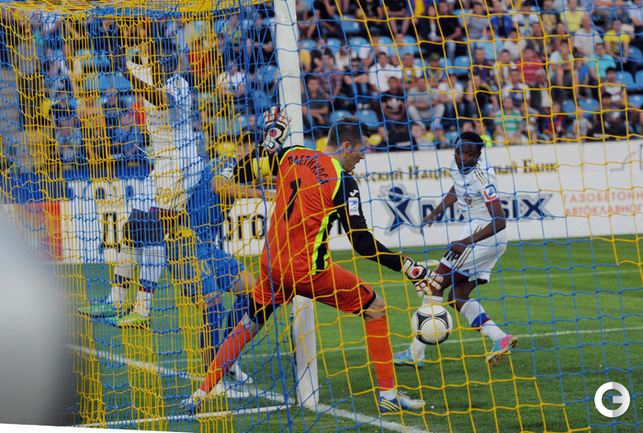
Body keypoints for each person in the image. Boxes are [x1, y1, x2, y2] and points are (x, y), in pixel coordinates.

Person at [180, 113, 443, 415]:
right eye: (360, 150)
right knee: (376, 308)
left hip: (271, 266)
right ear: (346, 146)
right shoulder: (344, 182)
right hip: (307, 271)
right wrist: (407, 266)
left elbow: (243, 169)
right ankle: (388, 395)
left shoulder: (292, 154)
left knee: (249, 323)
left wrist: (270, 142)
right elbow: (361, 243)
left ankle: (200, 394)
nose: (362, 157)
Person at [78, 32, 203, 326]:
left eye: (165, 61)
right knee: (132, 226)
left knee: (153, 229)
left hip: (181, 166)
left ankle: (142, 310)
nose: (159, 65)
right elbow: (118, 58)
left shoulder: (178, 85)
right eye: (154, 59)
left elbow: (159, 99)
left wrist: (128, 74)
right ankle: (116, 301)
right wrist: (109, 35)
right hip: (159, 167)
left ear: (171, 63)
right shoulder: (144, 71)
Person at [394, 132, 517, 368]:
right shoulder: (456, 163)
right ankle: (500, 339)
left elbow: (500, 221)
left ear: (479, 155)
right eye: (460, 151)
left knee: (434, 285)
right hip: (480, 236)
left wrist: (466, 242)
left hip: (484, 235)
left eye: (470, 154)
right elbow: (457, 188)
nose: (463, 157)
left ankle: (416, 353)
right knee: (457, 297)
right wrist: (436, 211)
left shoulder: (483, 177)